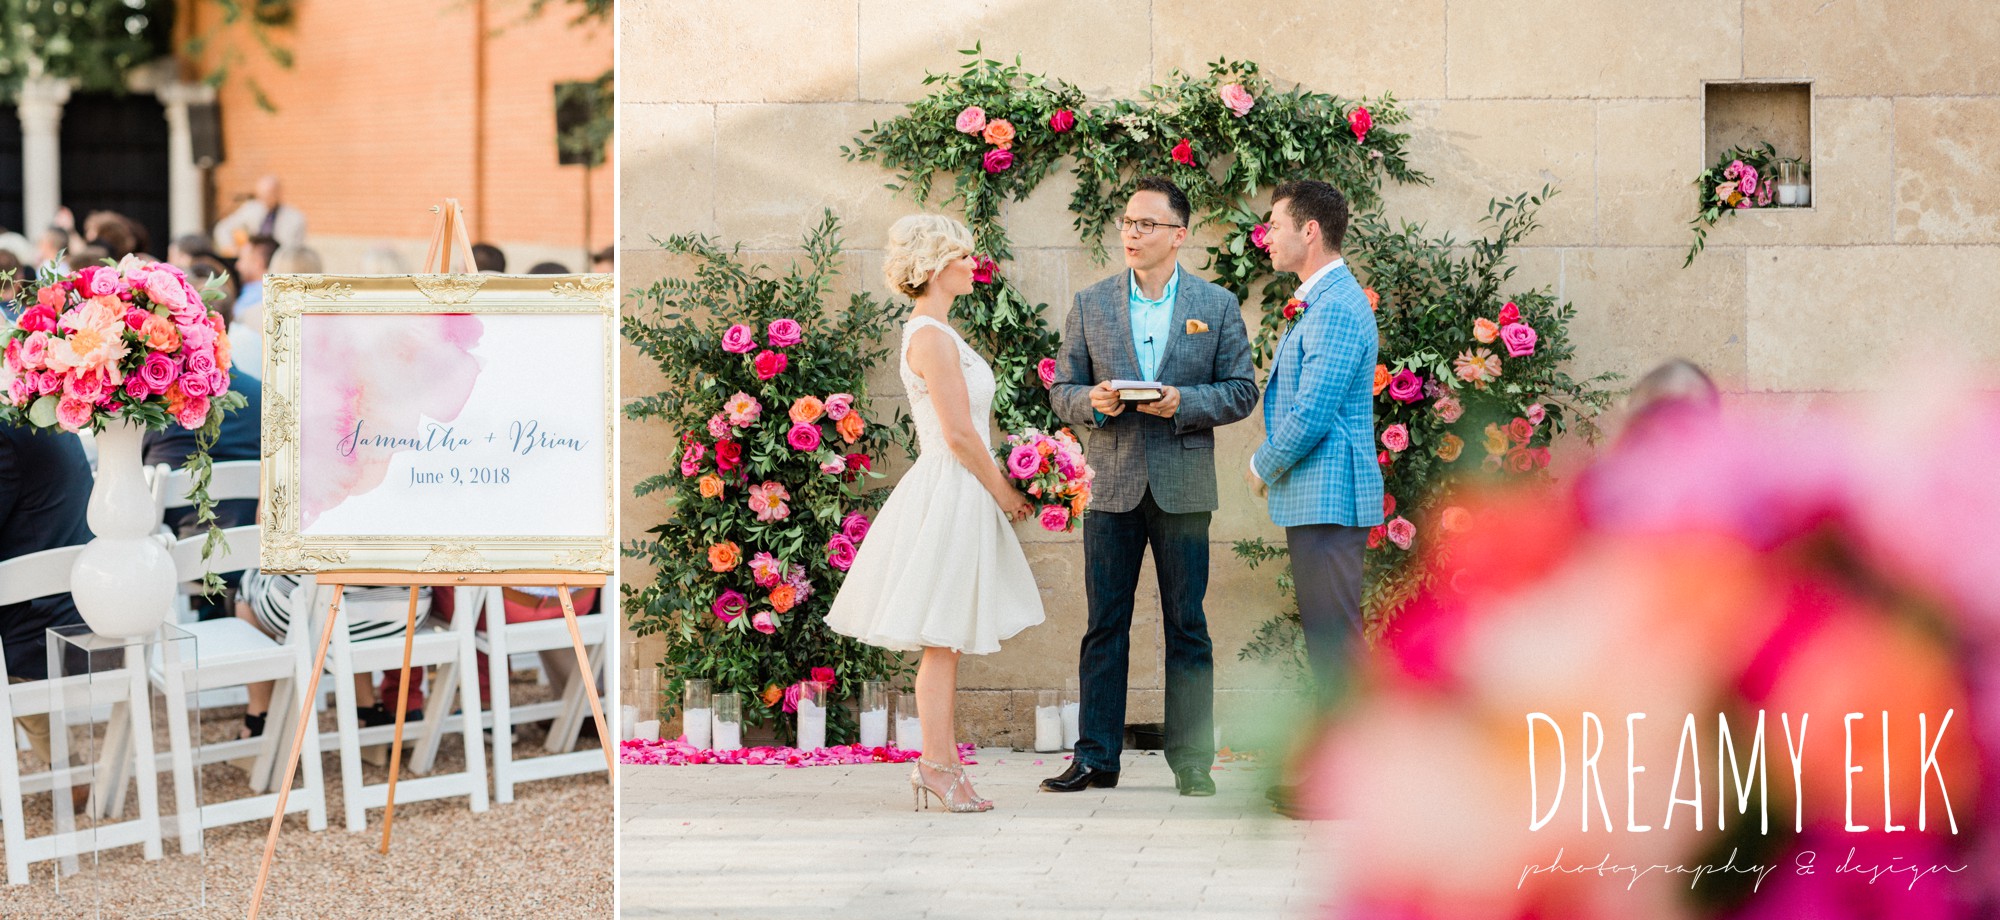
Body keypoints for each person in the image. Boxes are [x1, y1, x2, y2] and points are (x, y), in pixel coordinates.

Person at [1043, 176, 1259, 798]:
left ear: (1179, 234)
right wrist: (1097, 401)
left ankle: (1192, 761)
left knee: (1187, 624)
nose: (1132, 233)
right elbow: (1063, 391)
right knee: (1103, 623)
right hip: (1109, 484)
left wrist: (1181, 402)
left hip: (1184, 485)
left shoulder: (1215, 306)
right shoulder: (1091, 303)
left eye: (1146, 224)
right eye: (1127, 223)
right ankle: (1096, 758)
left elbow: (1241, 390)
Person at [825, 214, 1044, 813]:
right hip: (952, 487)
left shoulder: (943, 333)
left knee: (945, 641)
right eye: (963, 256)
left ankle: (942, 765)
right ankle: (937, 767)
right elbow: (958, 434)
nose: (973, 265)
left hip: (961, 488)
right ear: (935, 266)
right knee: (941, 639)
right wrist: (1005, 491)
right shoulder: (929, 337)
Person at [1247, 179, 1384, 813]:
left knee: (1336, 643)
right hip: (1319, 498)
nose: (1264, 237)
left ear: (1309, 231)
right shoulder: (1323, 300)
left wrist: (1263, 463)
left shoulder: (1335, 304)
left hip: (1329, 495)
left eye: (1273, 225)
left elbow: (1313, 411)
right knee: (1331, 640)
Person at [0, 421, 92, 765]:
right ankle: (64, 765)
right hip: (77, 610)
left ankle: (65, 766)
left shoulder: (5, 434)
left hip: (36, 633)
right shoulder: (48, 414)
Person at [212, 175, 308, 255]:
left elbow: (293, 249)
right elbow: (222, 228)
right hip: (253, 260)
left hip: (278, 261)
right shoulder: (251, 209)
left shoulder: (294, 218)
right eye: (261, 195)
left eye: (269, 194)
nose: (264, 199)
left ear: (278, 192)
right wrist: (231, 247)